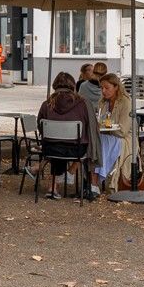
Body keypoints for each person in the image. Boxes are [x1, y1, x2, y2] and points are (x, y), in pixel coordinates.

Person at [33, 72, 92, 200]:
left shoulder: (46, 104)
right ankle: (77, 179)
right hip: (77, 150)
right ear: (73, 85)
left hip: (51, 149)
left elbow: (40, 126)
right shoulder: (83, 104)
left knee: (57, 144)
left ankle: (53, 187)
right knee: (73, 143)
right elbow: (90, 127)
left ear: (55, 85)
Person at [96, 72, 139, 193]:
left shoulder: (126, 102)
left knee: (101, 140)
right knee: (94, 140)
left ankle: (97, 177)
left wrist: (104, 127)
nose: (104, 91)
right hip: (108, 135)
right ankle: (95, 177)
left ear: (116, 87)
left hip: (125, 139)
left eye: (107, 88)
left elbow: (123, 131)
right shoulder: (103, 102)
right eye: (102, 88)